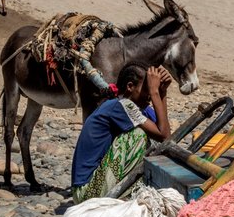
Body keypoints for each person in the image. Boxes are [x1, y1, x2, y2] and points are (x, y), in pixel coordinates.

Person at [71, 63, 172, 202]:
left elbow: (165, 134)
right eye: (147, 89)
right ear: (130, 87)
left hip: (96, 185)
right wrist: (155, 92)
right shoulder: (121, 105)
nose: (149, 95)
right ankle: (127, 196)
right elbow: (163, 136)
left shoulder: (140, 108)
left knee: (152, 139)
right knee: (139, 135)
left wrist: (162, 92)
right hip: (86, 191)